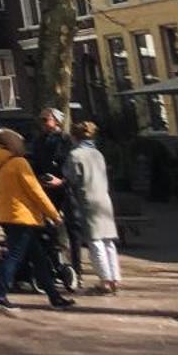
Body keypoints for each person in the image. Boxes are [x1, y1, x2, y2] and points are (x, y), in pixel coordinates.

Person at [0, 128, 73, 310]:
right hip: (22, 216)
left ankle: (54, 296)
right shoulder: (18, 163)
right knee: (14, 255)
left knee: (38, 257)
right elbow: (36, 192)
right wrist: (54, 215)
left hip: (6, 216)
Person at [29, 106, 83, 283]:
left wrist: (62, 181)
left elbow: (74, 167)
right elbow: (34, 164)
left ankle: (77, 270)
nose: (43, 123)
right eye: (41, 120)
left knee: (73, 229)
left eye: (46, 119)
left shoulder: (67, 141)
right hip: (46, 191)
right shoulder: (38, 141)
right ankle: (56, 266)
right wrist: (37, 179)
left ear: (57, 121)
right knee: (46, 229)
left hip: (66, 190)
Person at [68, 121, 119, 295]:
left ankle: (105, 281)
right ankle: (114, 278)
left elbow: (71, 178)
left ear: (74, 137)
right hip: (104, 199)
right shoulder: (98, 154)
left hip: (88, 201)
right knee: (108, 241)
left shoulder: (75, 155)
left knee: (95, 241)